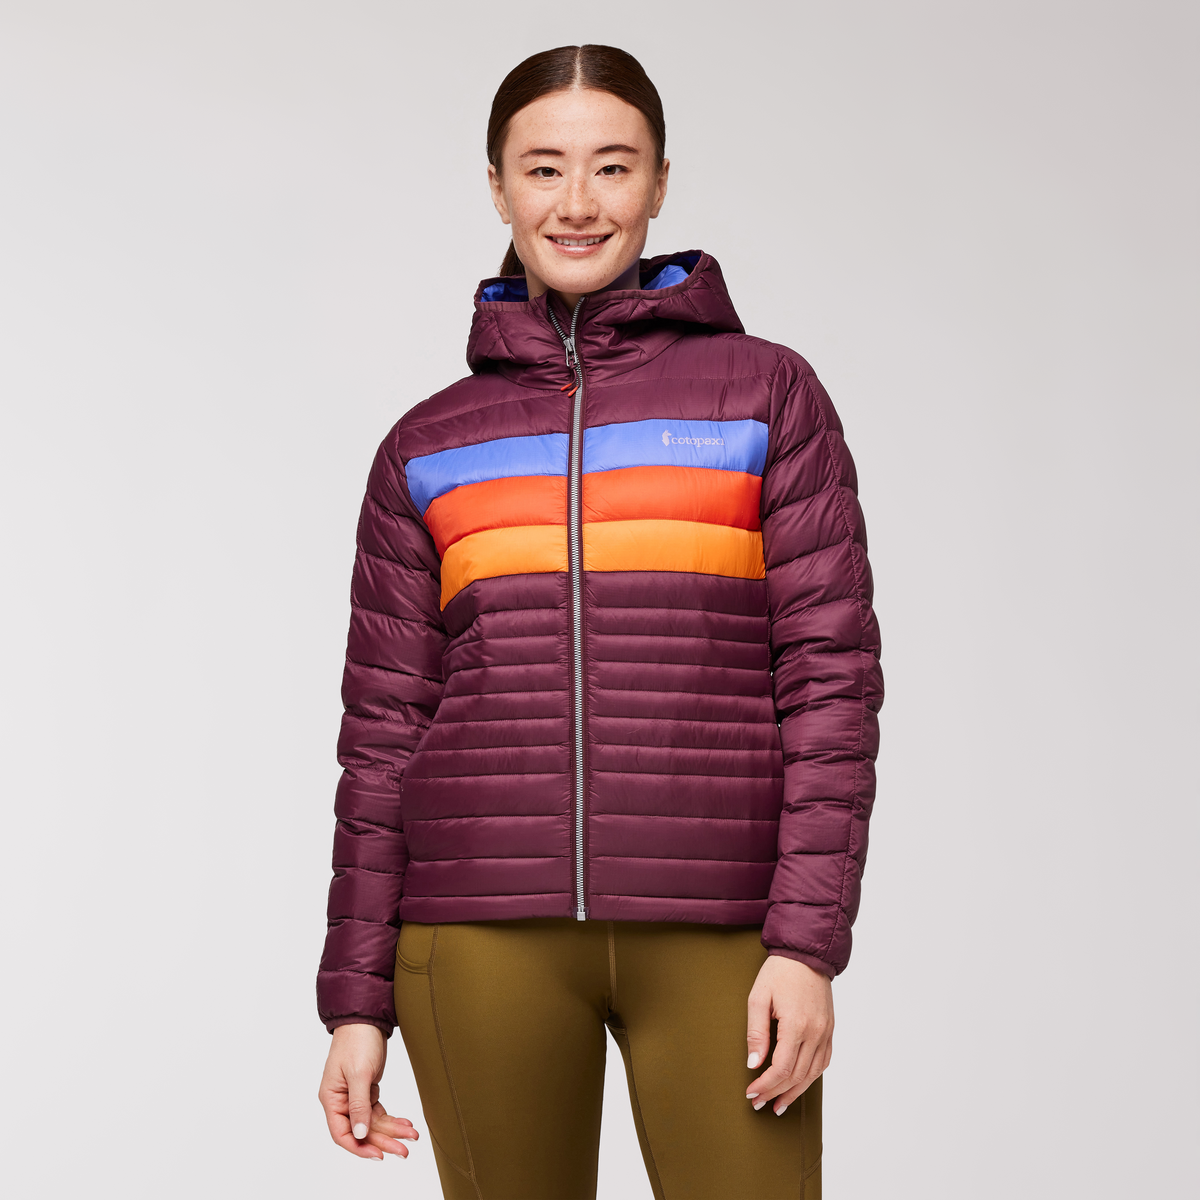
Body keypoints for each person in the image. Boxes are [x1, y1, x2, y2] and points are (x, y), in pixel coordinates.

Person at [316, 43, 882, 1200]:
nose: (578, 203)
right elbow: (382, 735)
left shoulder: (767, 396)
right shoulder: (429, 445)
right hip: (479, 937)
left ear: (660, 182)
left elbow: (831, 682)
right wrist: (356, 1003)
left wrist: (805, 941)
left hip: (722, 930)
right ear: (498, 187)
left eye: (613, 167)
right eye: (544, 169)